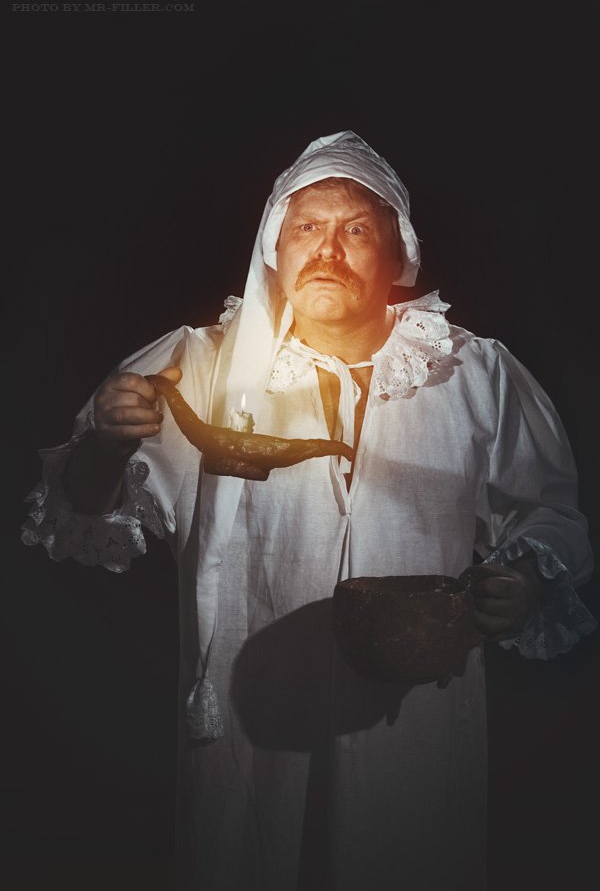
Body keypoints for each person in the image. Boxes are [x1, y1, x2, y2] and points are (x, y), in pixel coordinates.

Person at [22, 131, 596, 890]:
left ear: (398, 252)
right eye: (306, 228)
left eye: (355, 229)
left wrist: (521, 582)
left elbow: (552, 518)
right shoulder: (197, 367)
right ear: (275, 248)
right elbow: (83, 515)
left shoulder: (472, 372)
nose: (327, 250)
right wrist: (106, 443)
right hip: (253, 725)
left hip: (417, 725)